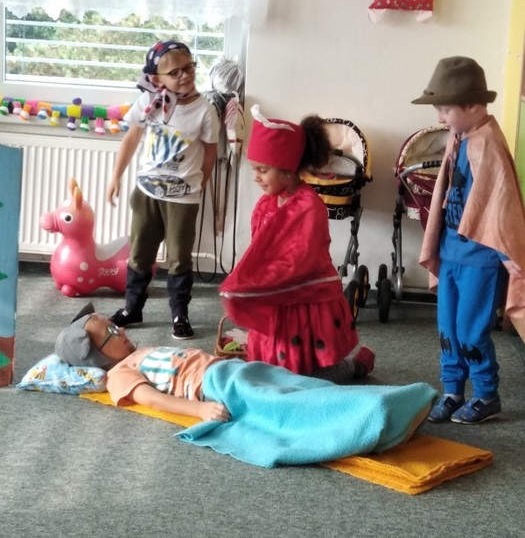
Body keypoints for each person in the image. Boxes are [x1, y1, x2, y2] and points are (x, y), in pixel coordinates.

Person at [54, 304, 437, 467]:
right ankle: (375, 414)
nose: (120, 330)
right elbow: (151, 399)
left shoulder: (141, 350)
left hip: (230, 369)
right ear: (96, 356)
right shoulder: (119, 373)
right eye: (111, 333)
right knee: (282, 405)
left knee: (298, 384)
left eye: (115, 325)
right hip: (214, 387)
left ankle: (379, 403)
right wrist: (198, 410)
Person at [219, 105, 374, 383]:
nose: (256, 177)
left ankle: (354, 367)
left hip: (305, 297)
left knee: (310, 371)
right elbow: (258, 249)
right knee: (274, 363)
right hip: (276, 295)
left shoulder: (308, 205)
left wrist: (263, 280)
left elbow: (302, 257)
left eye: (263, 170)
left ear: (288, 170)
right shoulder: (265, 204)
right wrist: (248, 279)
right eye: (254, 169)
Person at [412, 56, 525, 424]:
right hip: (451, 251)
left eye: (446, 109)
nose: (440, 117)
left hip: (480, 258)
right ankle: (453, 390)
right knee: (448, 327)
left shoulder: (488, 142)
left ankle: (487, 394)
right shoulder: (460, 138)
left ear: (473, 105)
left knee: (471, 330)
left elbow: (501, 204)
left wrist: (508, 253)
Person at [107, 40, 219, 340]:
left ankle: (180, 314)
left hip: (183, 197)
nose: (185, 75)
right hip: (147, 192)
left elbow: (210, 150)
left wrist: (202, 182)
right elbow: (131, 139)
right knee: (139, 254)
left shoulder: (204, 110)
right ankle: (132, 308)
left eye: (189, 68)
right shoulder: (149, 102)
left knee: (180, 258)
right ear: (156, 78)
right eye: (175, 72)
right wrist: (116, 177)